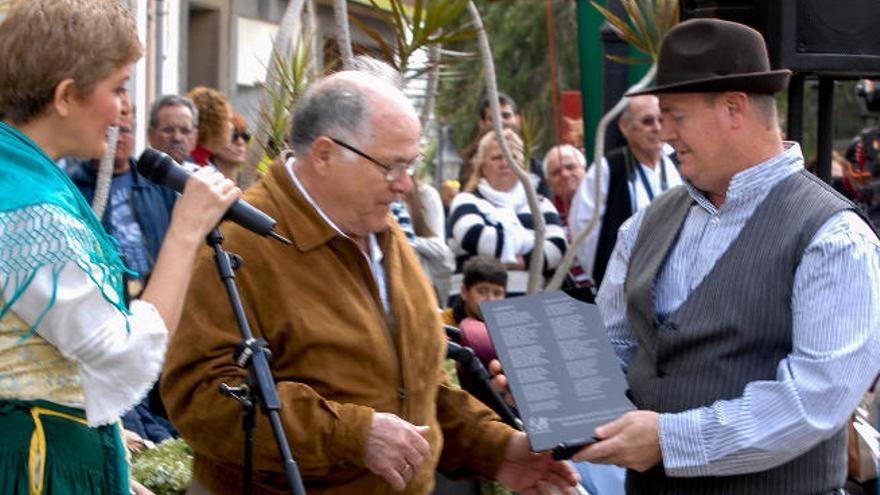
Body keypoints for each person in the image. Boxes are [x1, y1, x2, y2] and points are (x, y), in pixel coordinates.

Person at [160, 63, 577, 495]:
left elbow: (416, 383)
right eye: (393, 166)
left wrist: (497, 448)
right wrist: (352, 434)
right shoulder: (238, 242)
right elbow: (202, 400)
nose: (406, 185)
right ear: (324, 155)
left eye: (411, 165)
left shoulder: (379, 228)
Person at [566, 19, 880, 493]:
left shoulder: (834, 236)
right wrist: (552, 377)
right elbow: (615, 346)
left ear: (734, 108)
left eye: (676, 115)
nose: (665, 133)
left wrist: (671, 440)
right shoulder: (646, 224)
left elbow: (815, 400)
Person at [0, 1, 239, 493]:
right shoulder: (30, 207)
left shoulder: (18, 177)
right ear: (66, 96)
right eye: (117, 89)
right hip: (33, 459)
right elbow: (122, 352)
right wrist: (186, 230)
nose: (121, 110)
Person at [568, 94, 682, 288]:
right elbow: (583, 226)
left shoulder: (678, 164)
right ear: (625, 126)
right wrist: (610, 278)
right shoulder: (607, 169)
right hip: (628, 285)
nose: (657, 127)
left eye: (661, 120)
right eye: (647, 121)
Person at [447, 128, 567, 299]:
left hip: (530, 304)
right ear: (482, 166)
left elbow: (557, 248)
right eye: (496, 157)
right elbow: (474, 236)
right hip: (475, 311)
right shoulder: (466, 201)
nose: (505, 163)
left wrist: (521, 261)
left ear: (523, 164)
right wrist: (531, 241)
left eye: (513, 157)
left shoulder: (540, 204)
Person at [459, 92, 550, 197]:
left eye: (506, 116)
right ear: (482, 124)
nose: (500, 122)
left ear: (518, 120)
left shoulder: (536, 169)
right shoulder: (468, 167)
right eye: (492, 118)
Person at [147, 94, 199, 165]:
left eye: (185, 131)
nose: (177, 138)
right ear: (151, 135)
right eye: (168, 130)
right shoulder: (135, 174)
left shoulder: (203, 175)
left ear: (194, 138)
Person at [187, 86, 232, 167]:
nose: (231, 127)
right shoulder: (188, 164)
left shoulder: (206, 163)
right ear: (214, 124)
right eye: (227, 120)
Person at [213, 112, 250, 182]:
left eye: (245, 136)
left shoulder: (252, 183)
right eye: (233, 135)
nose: (241, 142)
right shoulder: (198, 179)